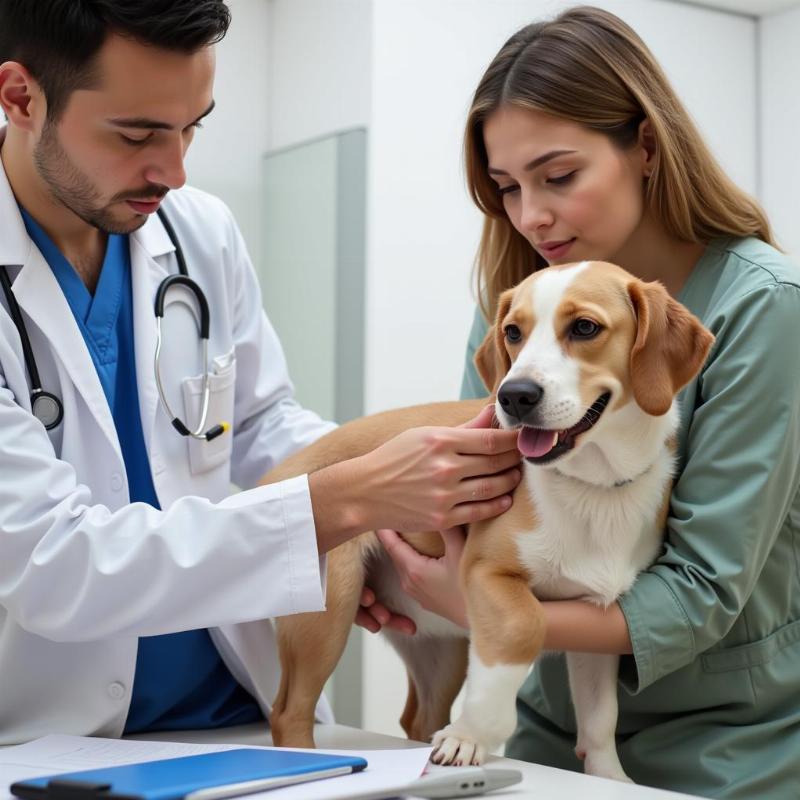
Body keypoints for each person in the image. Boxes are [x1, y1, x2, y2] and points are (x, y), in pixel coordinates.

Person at [0, 0, 524, 745]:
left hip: (243, 713)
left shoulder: (199, 232)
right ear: (21, 97)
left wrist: (379, 514)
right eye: (139, 134)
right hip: (51, 737)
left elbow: (262, 423)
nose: (175, 171)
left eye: (192, 127)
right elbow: (57, 564)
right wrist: (340, 502)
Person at [372, 6, 800, 798]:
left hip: (719, 747)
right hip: (537, 727)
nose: (531, 215)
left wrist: (483, 612)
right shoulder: (519, 304)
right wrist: (434, 573)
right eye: (506, 187)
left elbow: (704, 589)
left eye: (558, 177)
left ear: (643, 146)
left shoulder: (764, 307)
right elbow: (487, 497)